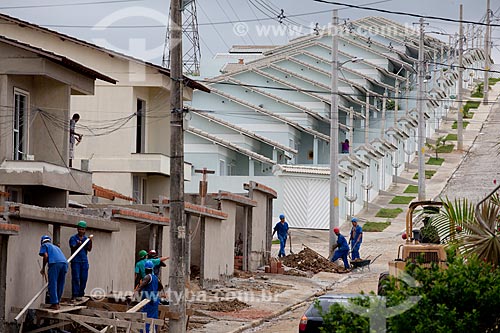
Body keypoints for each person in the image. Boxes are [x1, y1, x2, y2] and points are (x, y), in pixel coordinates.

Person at [39, 235, 68, 310]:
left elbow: (45, 256)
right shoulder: (56, 247)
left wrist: (43, 267)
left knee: (53, 283)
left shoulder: (44, 245)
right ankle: (57, 301)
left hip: (54, 263)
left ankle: (54, 303)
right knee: (60, 283)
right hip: (64, 263)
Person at [135, 260, 161, 333]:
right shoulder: (155, 277)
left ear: (145, 269)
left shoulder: (147, 277)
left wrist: (135, 295)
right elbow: (160, 287)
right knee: (154, 319)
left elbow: (140, 287)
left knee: (145, 319)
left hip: (148, 302)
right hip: (155, 301)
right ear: (152, 268)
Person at [69, 220, 92, 301]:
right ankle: (75, 295)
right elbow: (73, 247)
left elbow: (89, 249)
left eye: (82, 229)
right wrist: (78, 245)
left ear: (85, 230)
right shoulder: (73, 238)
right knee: (76, 278)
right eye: (79, 229)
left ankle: (80, 294)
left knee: (84, 278)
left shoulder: (86, 239)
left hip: (84, 261)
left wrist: (90, 241)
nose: (81, 231)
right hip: (76, 261)